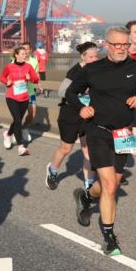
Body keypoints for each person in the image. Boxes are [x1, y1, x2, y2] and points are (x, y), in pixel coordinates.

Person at [66, 27, 136, 256]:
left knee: (111, 184)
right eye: (117, 45)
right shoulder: (92, 69)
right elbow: (70, 92)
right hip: (98, 131)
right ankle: (109, 238)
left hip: (123, 134)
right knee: (110, 186)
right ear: (107, 45)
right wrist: (81, 108)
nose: (122, 49)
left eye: (126, 45)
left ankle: (85, 196)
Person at [45, 42, 99, 191]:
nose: (94, 59)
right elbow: (62, 91)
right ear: (83, 57)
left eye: (96, 56)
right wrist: (83, 90)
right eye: (91, 57)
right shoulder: (75, 72)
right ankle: (52, 170)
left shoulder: (97, 71)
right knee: (66, 148)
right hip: (70, 114)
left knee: (88, 150)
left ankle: (89, 184)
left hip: (88, 115)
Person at [0, 45, 40, 156]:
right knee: (17, 120)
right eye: (22, 54)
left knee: (18, 120)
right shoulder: (9, 67)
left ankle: (7, 134)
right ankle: (20, 146)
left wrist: (30, 78)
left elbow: (36, 80)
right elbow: (2, 77)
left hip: (24, 98)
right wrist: (6, 82)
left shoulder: (28, 67)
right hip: (11, 97)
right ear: (16, 55)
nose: (24, 55)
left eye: (25, 54)